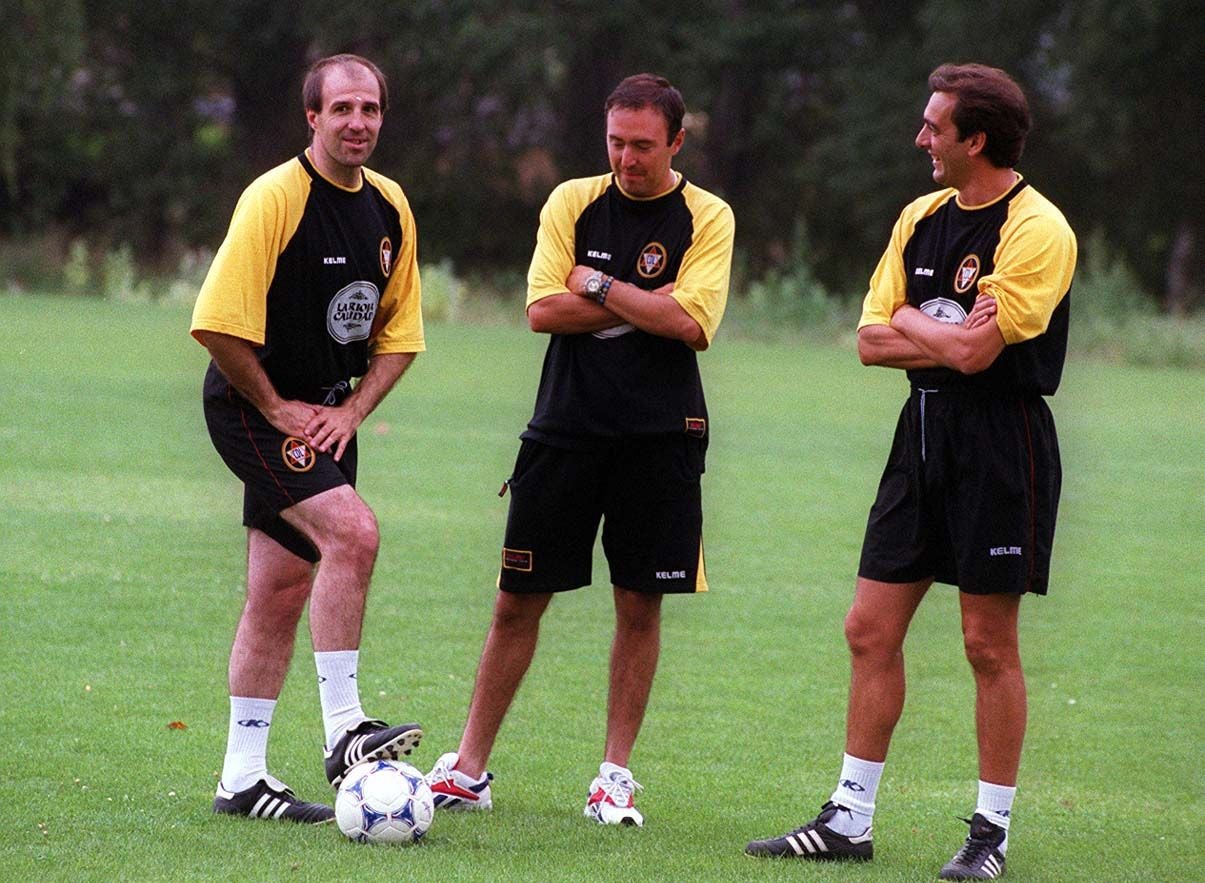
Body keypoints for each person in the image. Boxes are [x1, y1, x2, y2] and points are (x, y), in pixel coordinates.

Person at [746, 63, 1076, 879]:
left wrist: (915, 325)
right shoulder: (919, 217)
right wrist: (929, 330)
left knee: (985, 642)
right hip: (919, 433)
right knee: (867, 627)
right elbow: (869, 340)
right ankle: (848, 818)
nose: (919, 138)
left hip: (1002, 445)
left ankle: (988, 833)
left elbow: (975, 353)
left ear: (976, 139)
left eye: (933, 126)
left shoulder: (1036, 228)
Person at [424, 73, 734, 827]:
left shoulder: (707, 216)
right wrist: (641, 304)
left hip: (661, 437)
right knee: (514, 602)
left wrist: (595, 281)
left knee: (638, 603)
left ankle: (613, 776)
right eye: (616, 143)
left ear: (676, 142)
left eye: (643, 146)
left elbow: (690, 324)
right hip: (563, 430)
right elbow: (540, 310)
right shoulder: (571, 201)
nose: (627, 159)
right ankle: (468, 769)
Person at [190, 53, 426, 824]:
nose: (358, 122)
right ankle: (345, 729)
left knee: (279, 590)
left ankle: (242, 778)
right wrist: (276, 405)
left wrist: (352, 412)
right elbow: (216, 325)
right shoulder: (275, 197)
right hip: (253, 411)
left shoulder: (390, 207)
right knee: (354, 534)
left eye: (370, 109)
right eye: (343, 109)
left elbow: (399, 334)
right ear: (312, 118)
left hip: (328, 418)